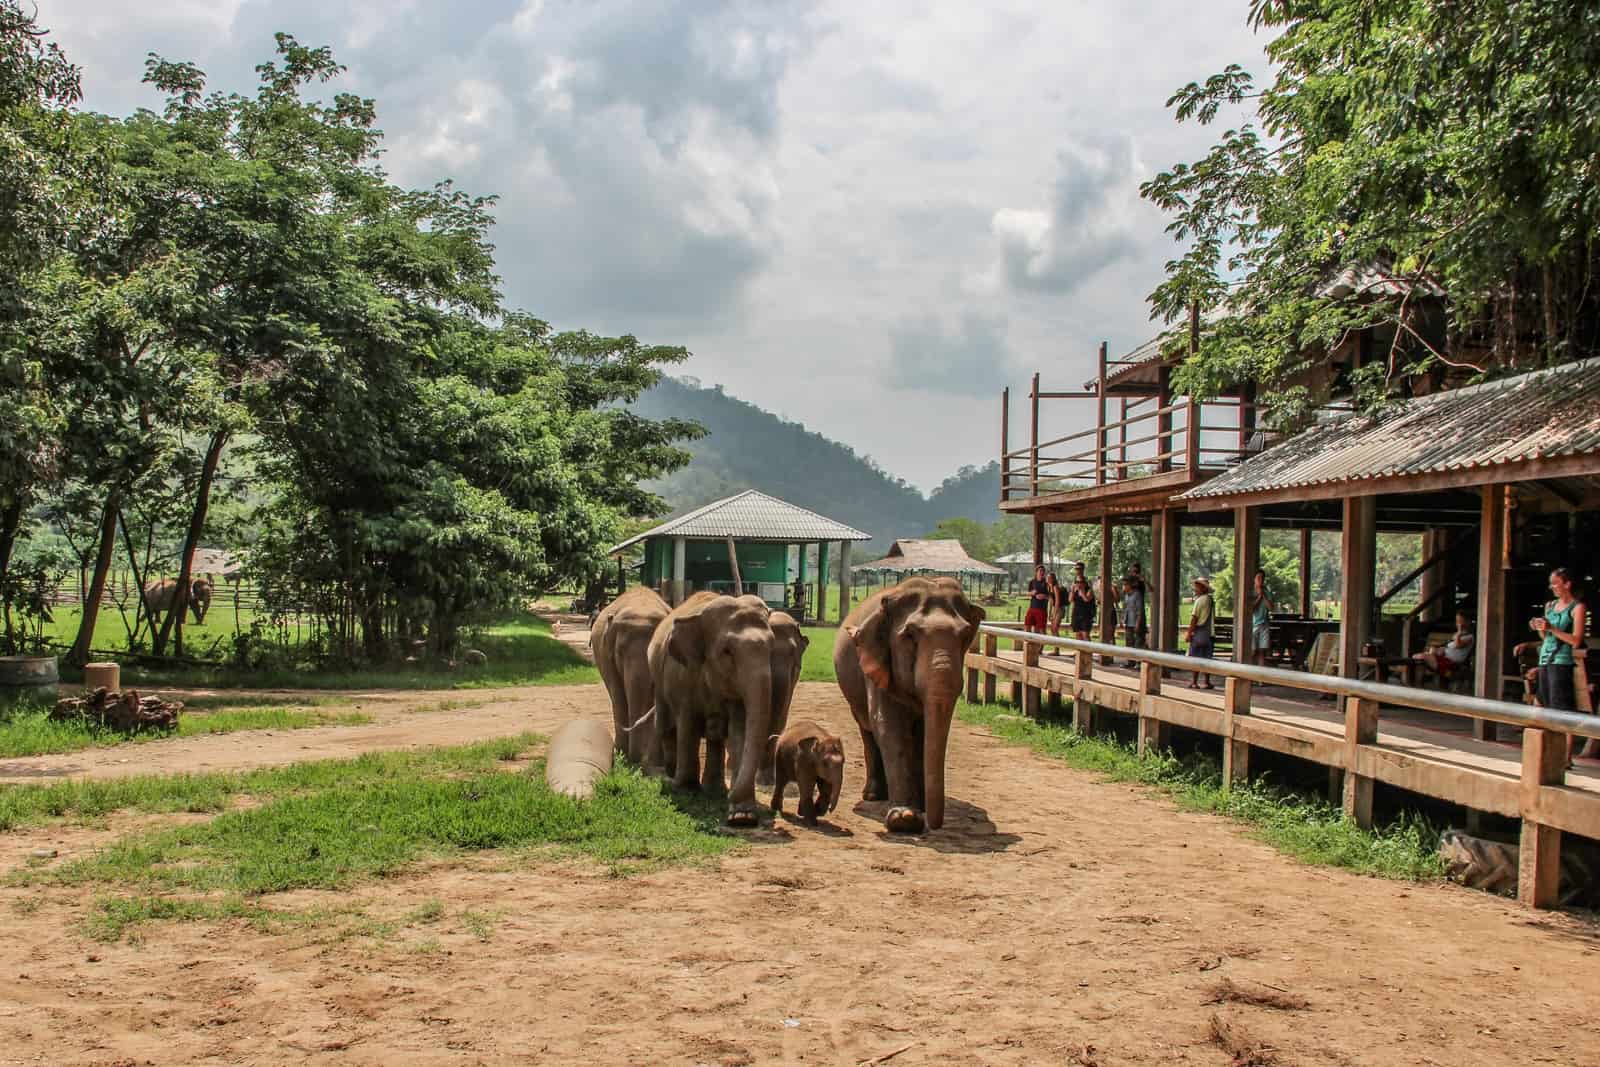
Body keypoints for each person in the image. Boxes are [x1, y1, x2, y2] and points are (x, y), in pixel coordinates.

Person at [1529, 566, 1592, 763]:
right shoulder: (1550, 606)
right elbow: (1545, 635)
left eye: (1556, 583)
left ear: (1567, 584)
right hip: (1545, 659)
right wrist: (1540, 627)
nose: (1552, 587)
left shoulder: (1577, 607)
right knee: (1542, 704)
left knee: (1562, 708)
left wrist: (1552, 628)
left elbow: (1576, 640)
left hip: (1562, 661)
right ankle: (1545, 751)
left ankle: (1566, 757)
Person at [1411, 610, 1474, 686]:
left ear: (1468, 622)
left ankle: (1418, 684)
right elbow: (1449, 647)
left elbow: (1458, 645)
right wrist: (1439, 649)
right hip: (1443, 658)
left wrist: (1459, 632)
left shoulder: (1470, 637)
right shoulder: (1456, 635)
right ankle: (1418, 684)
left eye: (1461, 621)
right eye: (1457, 621)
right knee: (1416, 657)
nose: (1458, 624)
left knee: (1421, 657)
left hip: (1451, 663)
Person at [1186, 576, 1215, 689]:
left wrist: (1189, 633)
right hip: (1209, 634)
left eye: (1197, 587)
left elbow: (1194, 618)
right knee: (1207, 659)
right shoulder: (1210, 600)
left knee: (1195, 658)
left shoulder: (1200, 601)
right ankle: (1206, 681)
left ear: (1202, 588)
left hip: (1199, 633)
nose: (1195, 589)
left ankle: (1194, 681)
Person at [1120, 573, 1146, 666]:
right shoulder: (1127, 596)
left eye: (1125, 584)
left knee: (1138, 643)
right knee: (1129, 642)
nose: (1124, 587)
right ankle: (1130, 661)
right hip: (1128, 622)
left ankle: (1138, 663)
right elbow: (1125, 608)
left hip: (1135, 622)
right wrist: (1122, 619)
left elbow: (1140, 610)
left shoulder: (1137, 595)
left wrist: (1138, 624)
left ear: (1130, 585)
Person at [1249, 569, 1273, 666]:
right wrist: (1259, 596)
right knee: (1252, 651)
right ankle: (1250, 674)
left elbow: (1271, 607)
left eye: (1262, 578)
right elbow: (1250, 609)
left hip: (1265, 624)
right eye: (1258, 578)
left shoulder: (1267, 591)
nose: (1260, 580)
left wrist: (1263, 595)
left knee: (1262, 651)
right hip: (1253, 624)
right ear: (1254, 579)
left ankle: (1260, 678)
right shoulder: (1251, 591)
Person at [1069, 562, 1097, 641]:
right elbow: (1070, 600)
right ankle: (1079, 652)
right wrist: (1073, 590)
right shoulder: (1074, 584)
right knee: (1078, 635)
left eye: (1080, 569)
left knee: (1085, 635)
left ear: (1083, 569)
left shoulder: (1088, 584)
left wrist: (1082, 591)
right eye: (1076, 569)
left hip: (1086, 613)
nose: (1078, 571)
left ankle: (1088, 653)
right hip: (1076, 612)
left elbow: (1087, 599)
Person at [1024, 565, 1051, 635]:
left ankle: (1041, 645)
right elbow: (1028, 593)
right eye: (1040, 571)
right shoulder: (1032, 582)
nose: (1042, 572)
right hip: (1032, 608)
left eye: (1043, 571)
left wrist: (1044, 596)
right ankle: (1028, 643)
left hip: (1042, 609)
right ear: (1036, 572)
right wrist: (1031, 593)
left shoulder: (1046, 583)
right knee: (1027, 626)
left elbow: (1050, 597)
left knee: (1040, 630)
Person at [1044, 571, 1064, 653]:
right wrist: (1049, 613)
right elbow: (1051, 601)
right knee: (1052, 629)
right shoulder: (1049, 587)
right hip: (1054, 608)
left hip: (1059, 609)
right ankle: (1055, 648)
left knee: (1055, 628)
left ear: (1053, 579)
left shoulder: (1055, 587)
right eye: (1047, 578)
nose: (1048, 579)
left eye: (1050, 578)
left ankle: (1057, 650)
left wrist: (1054, 613)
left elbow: (1057, 601)